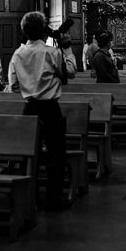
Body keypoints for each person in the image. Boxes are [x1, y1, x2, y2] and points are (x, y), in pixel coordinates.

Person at [8, 11, 76, 210]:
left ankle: (32, 197)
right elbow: (70, 73)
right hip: (50, 108)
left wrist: (30, 85)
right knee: (56, 154)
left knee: (32, 153)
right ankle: (53, 199)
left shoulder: (17, 53)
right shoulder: (50, 52)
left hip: (29, 108)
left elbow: (12, 85)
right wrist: (67, 49)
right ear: (43, 30)